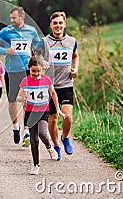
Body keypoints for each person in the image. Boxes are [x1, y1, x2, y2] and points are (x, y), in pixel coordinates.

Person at [0, 6, 41, 146]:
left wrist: (37, 56)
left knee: (26, 99)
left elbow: (37, 46)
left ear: (21, 17)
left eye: (14, 18)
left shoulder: (31, 31)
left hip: (26, 70)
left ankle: (26, 131)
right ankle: (15, 127)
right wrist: (5, 50)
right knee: (12, 102)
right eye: (10, 18)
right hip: (11, 71)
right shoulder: (6, 31)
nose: (11, 20)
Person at [41, 11, 79, 160]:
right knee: (53, 118)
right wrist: (41, 62)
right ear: (51, 25)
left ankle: (65, 137)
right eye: (55, 23)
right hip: (49, 86)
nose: (58, 25)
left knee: (67, 117)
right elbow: (34, 58)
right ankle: (56, 145)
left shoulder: (72, 41)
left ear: (64, 24)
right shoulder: (44, 42)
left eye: (60, 23)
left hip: (66, 84)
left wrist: (75, 69)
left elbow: (75, 56)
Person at [16, 56, 64, 175]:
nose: (36, 73)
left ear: (42, 69)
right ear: (29, 69)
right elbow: (18, 97)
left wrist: (58, 110)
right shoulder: (25, 81)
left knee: (42, 133)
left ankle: (49, 147)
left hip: (43, 112)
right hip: (30, 113)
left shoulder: (46, 80)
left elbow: (53, 94)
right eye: (33, 71)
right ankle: (36, 165)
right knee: (33, 140)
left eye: (38, 71)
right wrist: (23, 98)